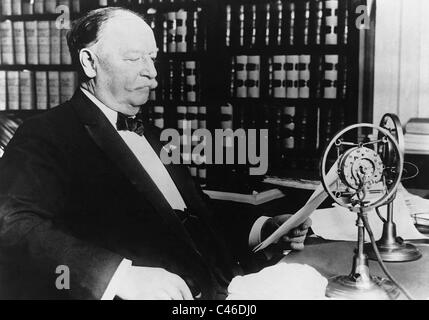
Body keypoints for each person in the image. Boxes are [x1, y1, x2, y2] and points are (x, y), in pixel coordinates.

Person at [0, 7, 311, 300]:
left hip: (228, 286)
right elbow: (13, 224)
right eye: (135, 58)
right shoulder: (47, 133)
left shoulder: (154, 133)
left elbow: (194, 214)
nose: (152, 73)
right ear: (89, 62)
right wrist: (121, 277)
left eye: (152, 58)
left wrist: (266, 228)